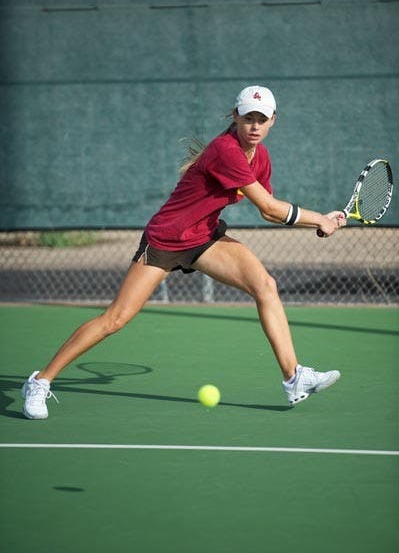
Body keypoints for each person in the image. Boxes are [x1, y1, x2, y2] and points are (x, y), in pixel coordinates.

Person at [21, 85, 345, 419]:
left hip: (204, 237)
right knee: (115, 319)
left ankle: (294, 377)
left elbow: (267, 211)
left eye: (262, 119)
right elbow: (269, 206)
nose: (255, 126)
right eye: (248, 117)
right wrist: (317, 218)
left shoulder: (260, 156)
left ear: (274, 120)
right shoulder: (226, 150)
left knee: (265, 285)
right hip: (166, 239)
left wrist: (318, 221)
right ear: (236, 117)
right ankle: (40, 381)